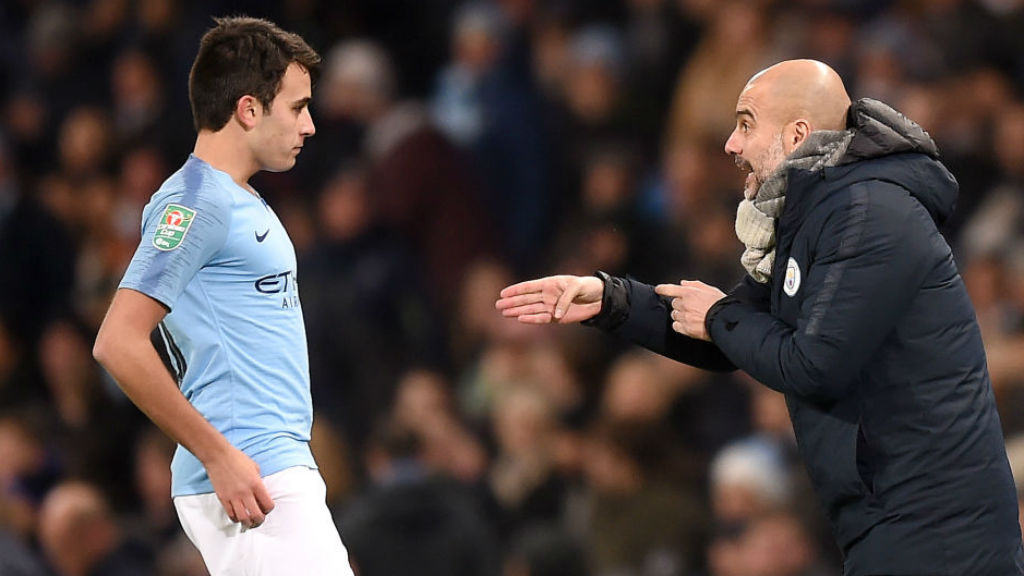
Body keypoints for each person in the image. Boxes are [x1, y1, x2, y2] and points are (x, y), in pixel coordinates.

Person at [496, 59, 1024, 574]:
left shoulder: (870, 213)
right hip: (893, 517)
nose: (731, 144)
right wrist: (612, 300)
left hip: (940, 527)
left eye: (746, 123)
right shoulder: (823, 214)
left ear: (797, 135)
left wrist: (721, 316)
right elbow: (726, 333)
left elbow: (814, 362)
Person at [92, 16, 353, 576]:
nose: (309, 125)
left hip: (271, 463)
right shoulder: (195, 203)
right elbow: (116, 342)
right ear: (248, 109)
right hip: (249, 469)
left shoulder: (239, 199)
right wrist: (217, 456)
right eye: (297, 106)